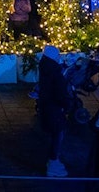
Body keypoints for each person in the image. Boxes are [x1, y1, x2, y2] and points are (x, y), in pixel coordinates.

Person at [36, 45, 70, 178]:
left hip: (47, 107)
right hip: (55, 110)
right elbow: (60, 94)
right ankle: (53, 162)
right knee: (58, 136)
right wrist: (66, 105)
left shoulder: (45, 69)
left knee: (55, 135)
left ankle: (53, 160)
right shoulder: (56, 75)